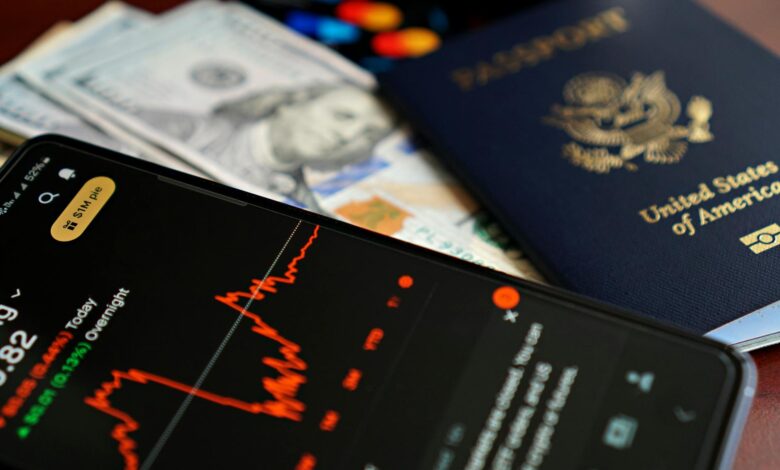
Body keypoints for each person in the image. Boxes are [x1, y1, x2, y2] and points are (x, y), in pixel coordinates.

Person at [141, 82, 395, 210]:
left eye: (369, 134)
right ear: (291, 103)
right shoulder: (181, 129)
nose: (347, 136)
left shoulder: (305, 205)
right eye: (342, 116)